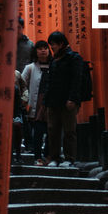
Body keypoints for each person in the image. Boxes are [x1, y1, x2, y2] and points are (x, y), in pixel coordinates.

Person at [42, 31, 83, 163]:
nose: (51, 47)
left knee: (69, 131)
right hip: (53, 101)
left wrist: (73, 98)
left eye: (53, 44)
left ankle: (69, 158)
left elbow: (77, 79)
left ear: (61, 44)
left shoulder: (73, 58)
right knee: (52, 130)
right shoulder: (54, 59)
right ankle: (54, 157)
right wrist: (45, 102)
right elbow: (50, 81)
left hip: (68, 101)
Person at [22, 40, 51, 164]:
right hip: (35, 103)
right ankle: (37, 156)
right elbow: (22, 84)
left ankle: (48, 155)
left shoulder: (54, 66)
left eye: (45, 48)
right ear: (35, 51)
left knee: (51, 130)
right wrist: (25, 100)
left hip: (50, 103)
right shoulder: (30, 68)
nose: (43, 50)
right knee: (38, 131)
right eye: (40, 48)